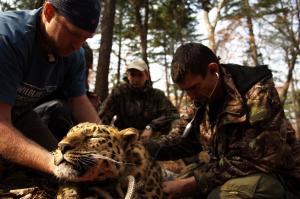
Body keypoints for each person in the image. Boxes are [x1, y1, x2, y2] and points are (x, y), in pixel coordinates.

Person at [143, 43, 300, 198]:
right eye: (185, 91)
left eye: (194, 88)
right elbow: (181, 140)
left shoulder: (257, 93)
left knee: (218, 196)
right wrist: (142, 148)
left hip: (277, 177)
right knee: (179, 182)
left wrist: (194, 183)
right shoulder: (201, 101)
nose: (190, 96)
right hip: (230, 173)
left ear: (213, 69)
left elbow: (259, 159)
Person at [0, 0, 101, 181]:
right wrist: (52, 163)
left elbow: (79, 101)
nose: (77, 46)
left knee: (60, 172)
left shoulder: (74, 55)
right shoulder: (8, 39)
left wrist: (109, 140)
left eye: (85, 39)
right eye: (73, 33)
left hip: (20, 112)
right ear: (48, 12)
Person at [99, 59, 180, 140]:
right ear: (128, 76)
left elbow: (172, 114)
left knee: (175, 123)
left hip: (151, 139)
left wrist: (151, 127)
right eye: (133, 75)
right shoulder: (119, 92)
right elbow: (103, 116)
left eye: (140, 75)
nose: (136, 79)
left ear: (147, 76)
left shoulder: (157, 95)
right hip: (123, 137)